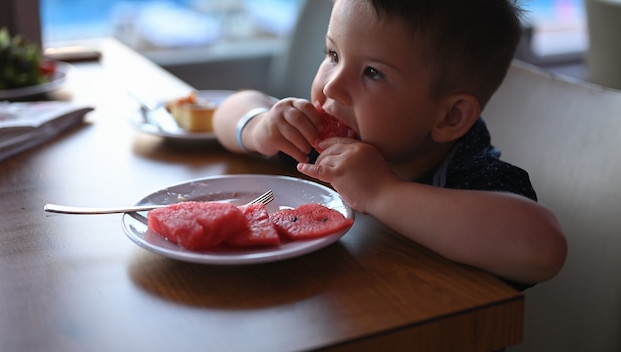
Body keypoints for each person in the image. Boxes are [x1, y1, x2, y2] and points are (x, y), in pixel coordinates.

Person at [212, 0, 567, 290]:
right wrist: (258, 126)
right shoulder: (323, 141)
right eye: (333, 55)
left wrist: (382, 192)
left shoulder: (474, 177)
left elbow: (544, 247)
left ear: (449, 118)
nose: (332, 86)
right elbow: (228, 109)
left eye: (373, 73)